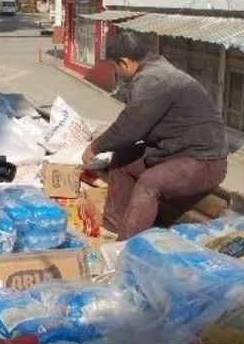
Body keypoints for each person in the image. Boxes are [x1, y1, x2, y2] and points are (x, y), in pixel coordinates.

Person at [82, 32, 228, 241]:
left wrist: (95, 147)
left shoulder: (155, 79)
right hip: (173, 153)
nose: (116, 72)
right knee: (123, 159)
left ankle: (125, 250)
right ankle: (112, 229)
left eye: (114, 66)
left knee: (150, 182)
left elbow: (130, 127)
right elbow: (132, 130)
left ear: (124, 63)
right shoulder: (154, 70)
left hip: (204, 161)